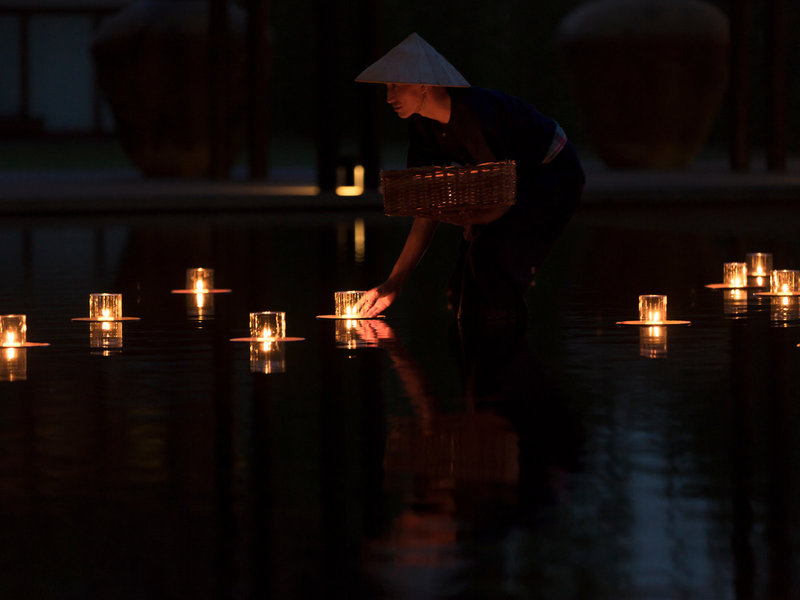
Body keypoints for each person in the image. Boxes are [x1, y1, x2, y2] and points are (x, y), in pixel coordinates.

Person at [355, 33, 585, 321]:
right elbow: (427, 210)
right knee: (462, 287)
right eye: (387, 87)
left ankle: (506, 350)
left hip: (550, 174)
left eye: (396, 86)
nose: (389, 97)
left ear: (423, 84)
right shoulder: (423, 125)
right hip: (508, 187)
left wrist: (472, 219)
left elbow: (500, 199)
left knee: (493, 268)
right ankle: (480, 354)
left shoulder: (475, 116)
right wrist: (393, 284)